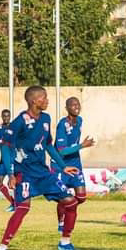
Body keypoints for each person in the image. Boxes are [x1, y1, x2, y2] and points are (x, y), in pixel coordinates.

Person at [0, 86, 82, 250]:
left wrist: (63, 165)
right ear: (34, 100)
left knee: (71, 202)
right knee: (22, 208)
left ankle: (65, 243)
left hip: (43, 173)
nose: (47, 100)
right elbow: (5, 146)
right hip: (24, 173)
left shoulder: (46, 118)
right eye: (44, 98)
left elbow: (48, 144)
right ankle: (1, 248)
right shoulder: (20, 121)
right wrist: (11, 173)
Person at [52, 97, 95, 232]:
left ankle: (67, 208)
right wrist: (82, 145)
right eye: (72, 105)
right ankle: (61, 222)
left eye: (78, 104)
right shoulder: (62, 125)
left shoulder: (80, 121)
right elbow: (62, 151)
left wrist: (80, 146)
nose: (76, 107)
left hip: (75, 163)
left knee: (81, 197)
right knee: (63, 196)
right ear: (67, 108)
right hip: (61, 164)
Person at [0, 110, 14, 211]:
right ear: (2, 117)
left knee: (13, 183)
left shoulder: (14, 128)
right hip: (3, 160)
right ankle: (13, 203)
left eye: (8, 116)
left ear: (10, 116)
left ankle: (20, 204)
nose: (6, 118)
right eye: (4, 116)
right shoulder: (0, 128)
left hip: (12, 159)